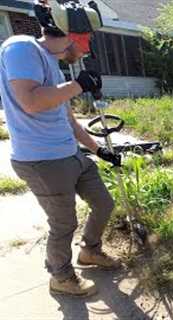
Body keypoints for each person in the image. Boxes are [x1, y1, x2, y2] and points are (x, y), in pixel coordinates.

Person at [0, 0, 121, 298]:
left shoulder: (53, 65)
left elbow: (67, 119)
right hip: (42, 161)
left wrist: (98, 150)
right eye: (85, 42)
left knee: (104, 203)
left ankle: (90, 251)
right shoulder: (22, 48)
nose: (86, 50)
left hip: (70, 154)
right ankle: (61, 277)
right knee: (64, 223)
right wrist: (79, 84)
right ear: (71, 35)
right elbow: (30, 102)